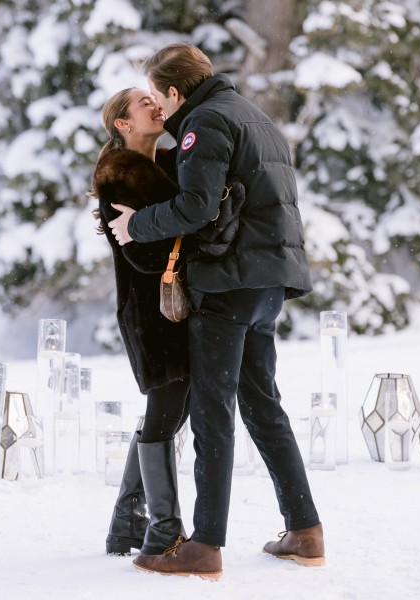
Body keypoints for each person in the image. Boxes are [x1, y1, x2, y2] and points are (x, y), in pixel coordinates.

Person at [108, 43, 325, 580]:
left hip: (228, 284)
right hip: (269, 281)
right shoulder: (255, 116)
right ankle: (305, 531)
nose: (158, 105)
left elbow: (197, 207)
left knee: (212, 412)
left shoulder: (203, 122)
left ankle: (204, 546)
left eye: (157, 94)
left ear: (175, 90)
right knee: (262, 405)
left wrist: (137, 224)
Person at [91, 87, 190, 557]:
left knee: (173, 411)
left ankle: (127, 521)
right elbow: (146, 258)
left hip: (177, 308)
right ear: (123, 124)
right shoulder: (118, 178)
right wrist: (185, 226)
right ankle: (161, 529)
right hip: (150, 315)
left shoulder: (171, 164)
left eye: (155, 98)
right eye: (142, 103)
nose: (155, 104)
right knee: (166, 412)